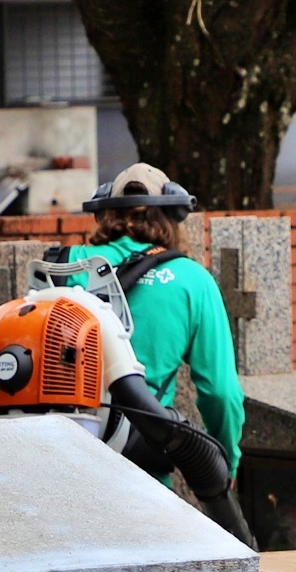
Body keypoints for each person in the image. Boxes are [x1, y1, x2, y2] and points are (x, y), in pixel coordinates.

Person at [70, 162, 248, 503]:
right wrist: (227, 462)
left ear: (104, 212)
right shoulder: (192, 279)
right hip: (138, 472)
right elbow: (221, 394)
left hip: (59, 459)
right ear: (173, 216)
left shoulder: (66, 262)